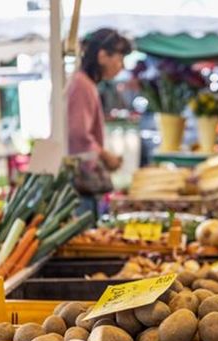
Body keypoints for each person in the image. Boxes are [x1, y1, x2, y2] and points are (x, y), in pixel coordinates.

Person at [66, 28, 131, 213]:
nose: (121, 65)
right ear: (102, 56)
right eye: (119, 58)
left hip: (81, 181)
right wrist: (104, 155)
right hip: (79, 184)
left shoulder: (85, 83)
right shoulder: (82, 84)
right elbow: (78, 133)